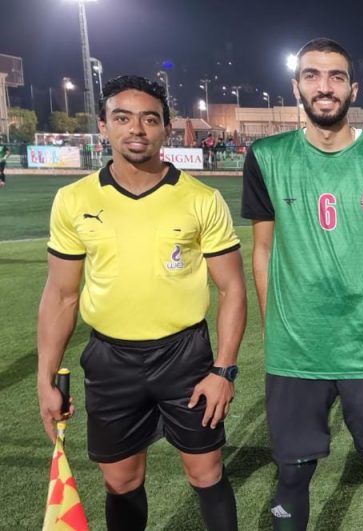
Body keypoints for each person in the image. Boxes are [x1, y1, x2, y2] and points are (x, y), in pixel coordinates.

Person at [36, 74, 246, 531]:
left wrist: (223, 370)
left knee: (206, 472)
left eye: (150, 119)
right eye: (123, 118)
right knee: (121, 480)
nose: (136, 129)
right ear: (104, 125)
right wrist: (44, 376)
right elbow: (61, 294)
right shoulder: (73, 200)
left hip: (185, 356)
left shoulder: (201, 199)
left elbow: (232, 288)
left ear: (166, 128)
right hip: (111, 359)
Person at [241, 37, 363, 531]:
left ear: (353, 89)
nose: (325, 86)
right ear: (296, 86)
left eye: (336, 76)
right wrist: (275, 326)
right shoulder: (267, 156)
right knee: (292, 474)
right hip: (297, 349)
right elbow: (263, 250)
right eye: (313, 75)